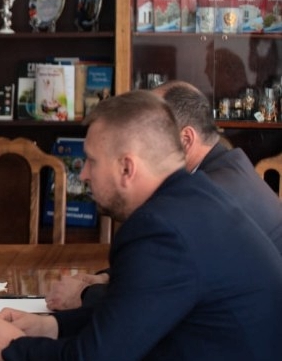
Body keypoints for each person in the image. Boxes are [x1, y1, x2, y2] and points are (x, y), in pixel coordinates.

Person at [0, 91, 282, 361]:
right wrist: (50, 325)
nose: (84, 174)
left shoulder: (161, 230)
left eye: (90, 161)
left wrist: (13, 348)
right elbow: (131, 313)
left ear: (127, 167)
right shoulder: (195, 199)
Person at [46, 80, 282, 310]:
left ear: (186, 139)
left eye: (154, 128)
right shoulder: (227, 166)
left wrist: (85, 294)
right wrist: (105, 279)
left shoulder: (208, 194)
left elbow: (156, 297)